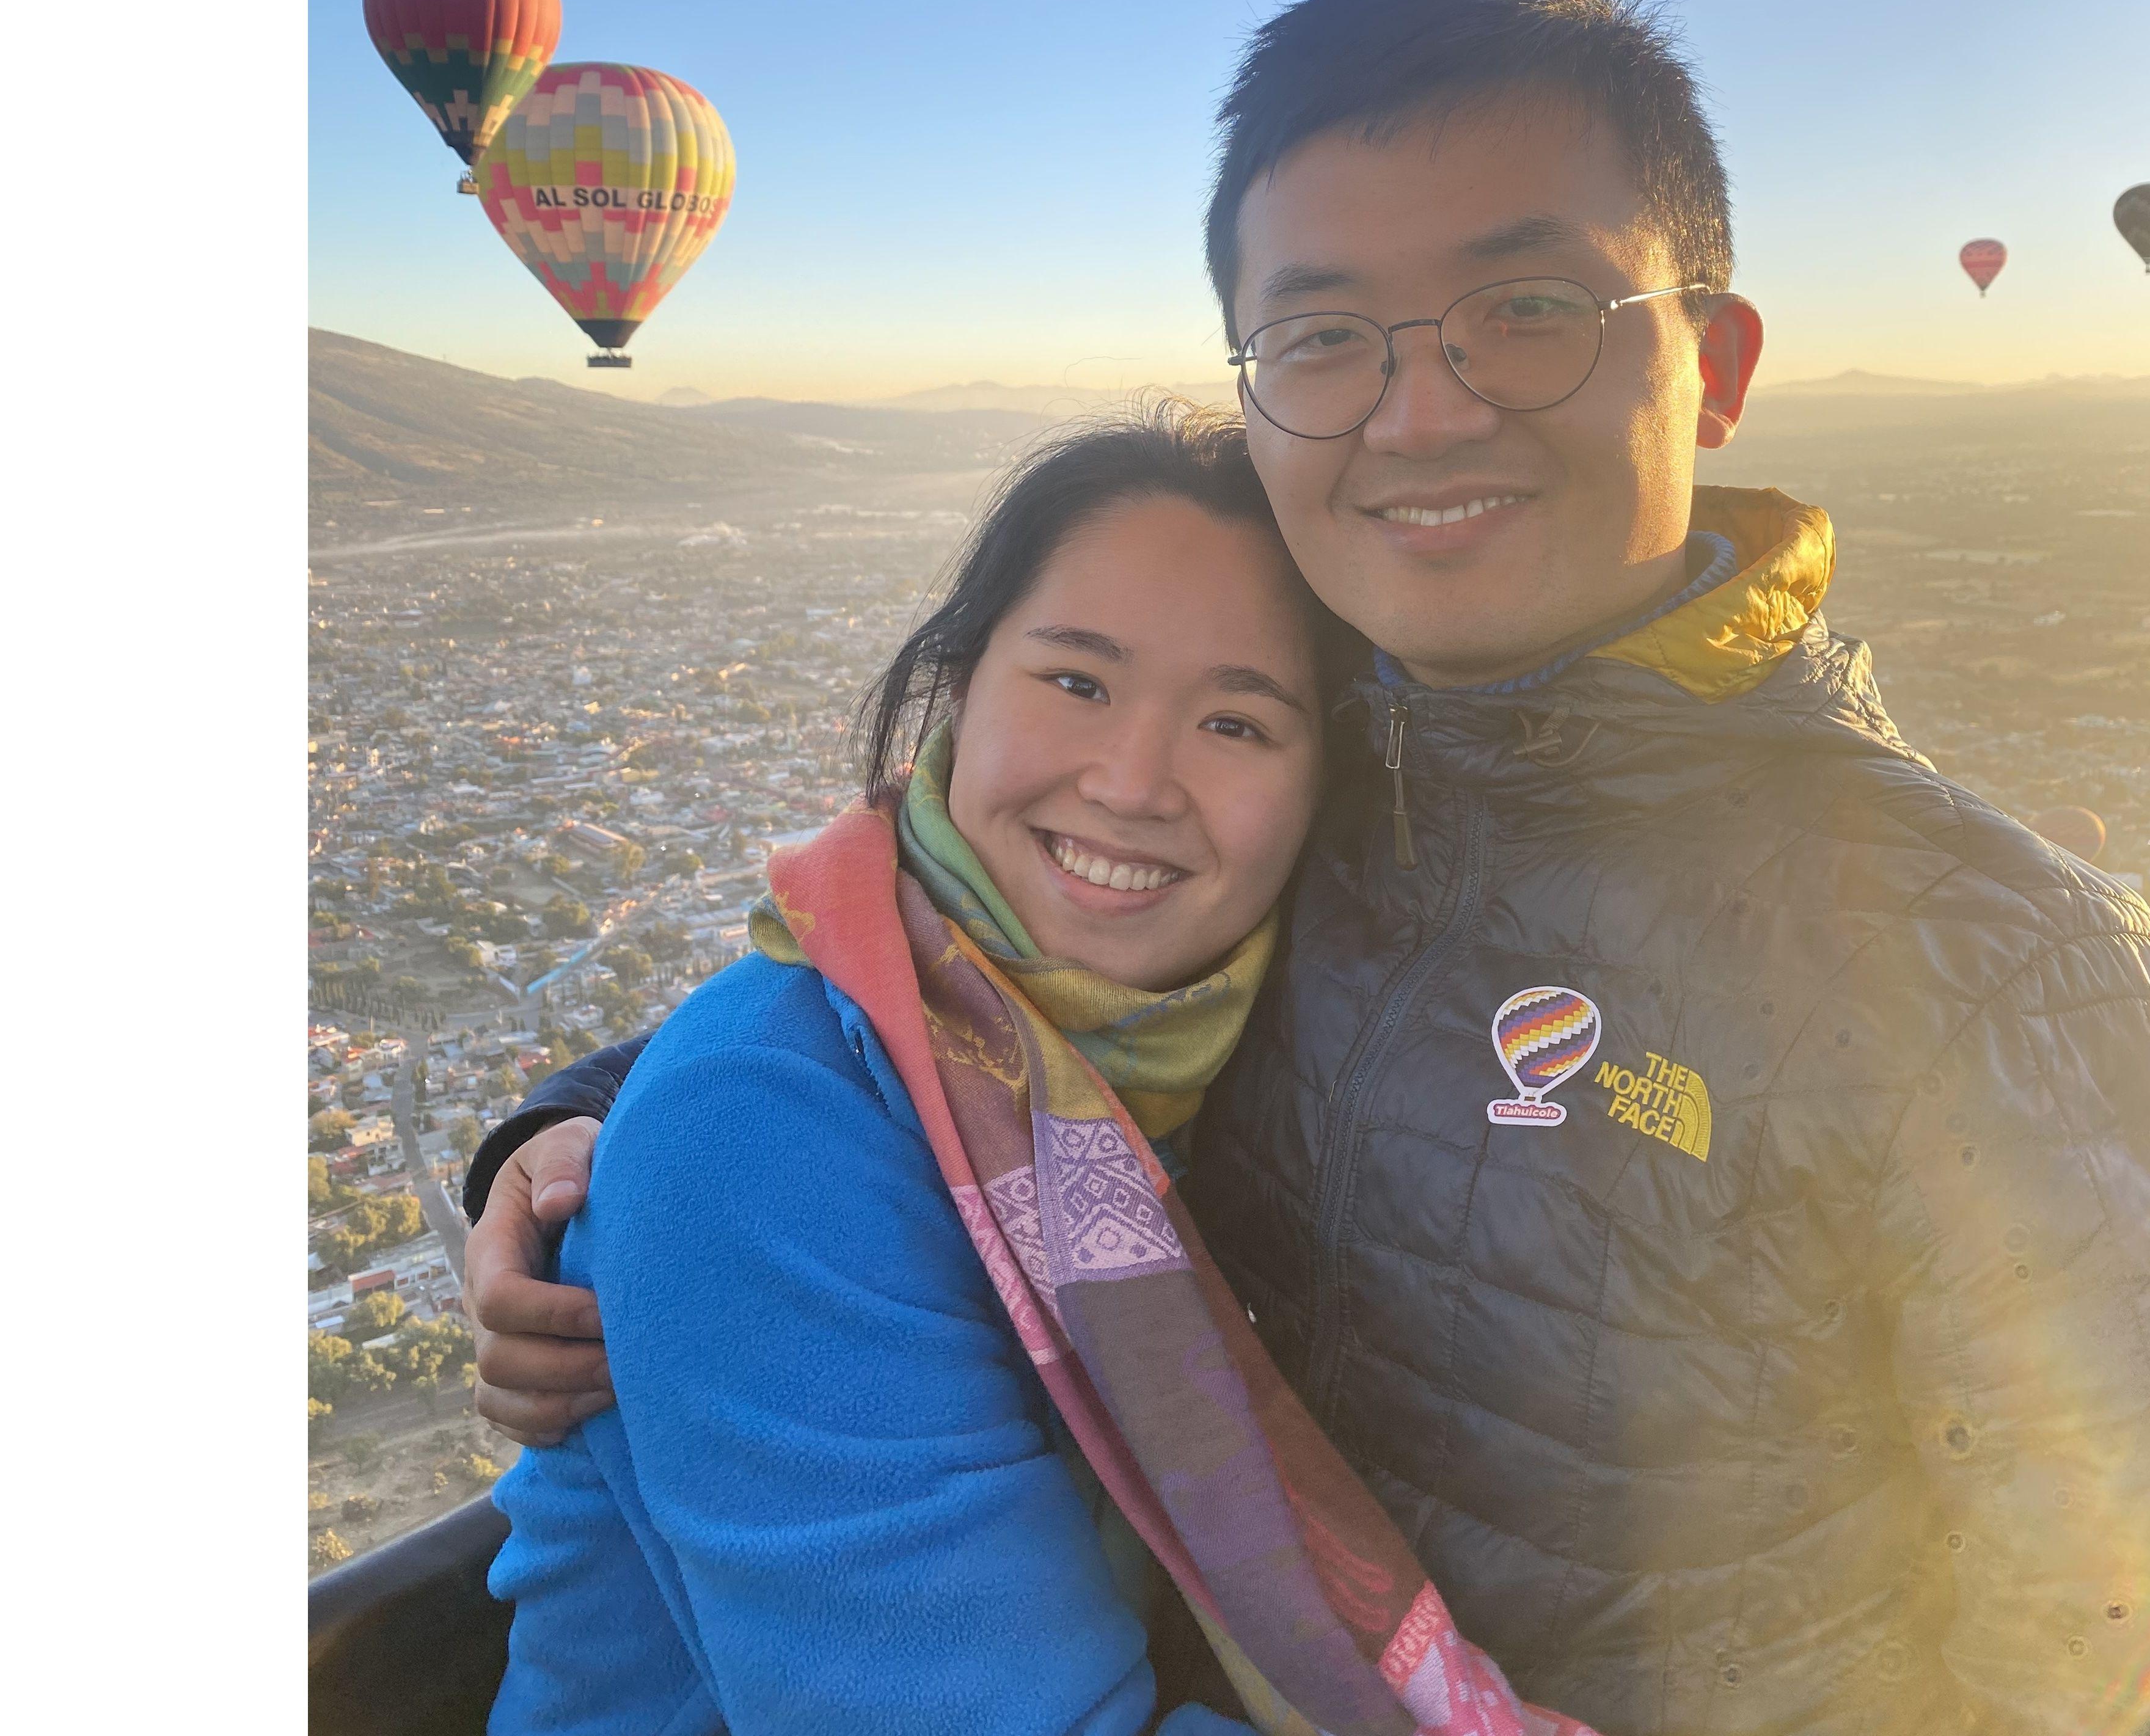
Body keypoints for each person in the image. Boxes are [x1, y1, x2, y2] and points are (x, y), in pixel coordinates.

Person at [468, 0, 2150, 1736]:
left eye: (1529, 311)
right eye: (1325, 338)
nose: (1421, 414)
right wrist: (599, 1128)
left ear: (1715, 365)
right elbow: (960, 990)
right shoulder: (1318, 763)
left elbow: (2099, 1645)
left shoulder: (1997, 977)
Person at [482, 405, 1601, 1736]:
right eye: (1077, 682)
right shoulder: (760, 1126)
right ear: (961, 684)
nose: (1132, 782)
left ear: (1328, 783)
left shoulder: (1275, 1051)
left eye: (1238, 724)